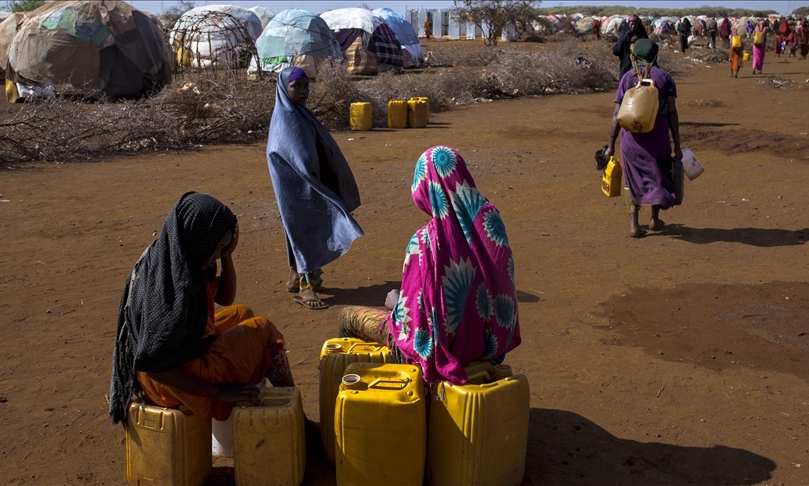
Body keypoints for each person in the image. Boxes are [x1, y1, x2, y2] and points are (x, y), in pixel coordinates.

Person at [338, 146, 521, 385]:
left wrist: (396, 306)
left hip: (443, 354)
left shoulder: (425, 242)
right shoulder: (491, 223)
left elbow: (419, 333)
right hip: (491, 349)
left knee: (348, 317)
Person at [109, 192, 295, 424]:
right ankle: (298, 419)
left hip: (174, 362)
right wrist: (217, 392)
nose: (215, 256)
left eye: (221, 248)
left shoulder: (175, 254)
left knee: (242, 313)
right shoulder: (177, 288)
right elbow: (156, 367)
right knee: (264, 330)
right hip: (168, 382)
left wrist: (226, 256)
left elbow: (225, 298)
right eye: (216, 247)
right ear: (199, 237)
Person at [266, 67, 364, 310]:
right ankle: (306, 287)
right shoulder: (287, 118)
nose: (303, 91)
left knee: (299, 228)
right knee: (305, 229)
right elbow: (286, 153)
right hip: (295, 184)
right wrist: (309, 176)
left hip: (307, 180)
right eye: (296, 86)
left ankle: (294, 277)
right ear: (284, 88)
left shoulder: (300, 113)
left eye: (306, 86)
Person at [606, 39, 681, 238]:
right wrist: (677, 145)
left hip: (631, 138)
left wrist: (610, 144)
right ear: (654, 54)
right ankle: (654, 219)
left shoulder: (627, 78)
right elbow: (672, 113)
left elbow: (616, 113)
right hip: (658, 135)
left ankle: (634, 225)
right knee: (658, 173)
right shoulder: (665, 78)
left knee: (632, 178)